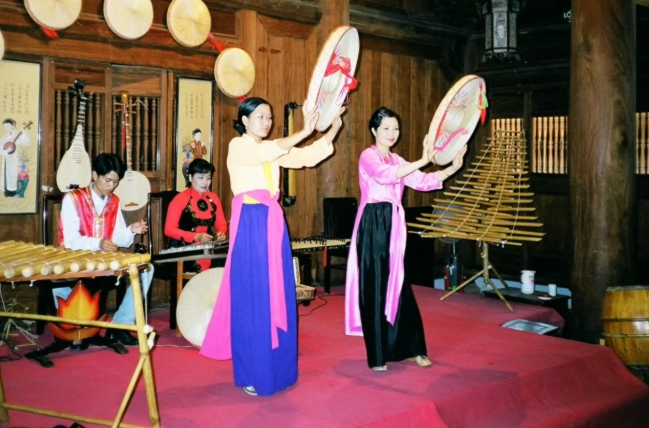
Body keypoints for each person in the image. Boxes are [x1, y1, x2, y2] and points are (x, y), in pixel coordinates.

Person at [201, 97, 344, 397]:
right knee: (254, 297)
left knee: (278, 293)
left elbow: (304, 157)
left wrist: (332, 129)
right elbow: (268, 151)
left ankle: (278, 370)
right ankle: (254, 372)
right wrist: (305, 130)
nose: (266, 122)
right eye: (260, 117)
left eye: (269, 117)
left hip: (273, 223)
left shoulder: (272, 150)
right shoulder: (239, 146)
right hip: (251, 224)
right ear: (244, 120)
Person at [344, 107, 465, 371]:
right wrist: (423, 159)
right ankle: (378, 355)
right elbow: (384, 176)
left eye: (395, 128)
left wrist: (452, 167)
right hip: (374, 223)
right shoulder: (368, 155)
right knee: (376, 285)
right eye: (386, 128)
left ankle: (413, 348)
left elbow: (423, 180)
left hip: (394, 224)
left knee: (399, 285)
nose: (391, 133)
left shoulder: (398, 160)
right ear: (374, 130)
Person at [57, 153, 154, 346]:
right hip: (76, 258)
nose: (112, 186)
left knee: (147, 268)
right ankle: (77, 326)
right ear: (95, 175)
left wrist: (131, 230)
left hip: (104, 259)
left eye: (116, 182)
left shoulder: (114, 201)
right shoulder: (73, 199)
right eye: (108, 180)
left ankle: (120, 324)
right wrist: (99, 243)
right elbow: (69, 240)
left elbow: (117, 238)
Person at [164, 157, 228, 272]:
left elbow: (222, 223)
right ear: (190, 177)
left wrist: (221, 233)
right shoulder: (180, 199)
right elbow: (168, 229)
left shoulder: (213, 198)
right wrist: (196, 237)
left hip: (207, 246)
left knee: (226, 259)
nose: (205, 182)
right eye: (200, 177)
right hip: (182, 247)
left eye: (208, 178)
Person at [0, 118, 29, 197]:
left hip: (16, 159)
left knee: (15, 175)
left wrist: (24, 133)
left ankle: (16, 191)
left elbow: (26, 142)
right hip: (7, 160)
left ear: (13, 126)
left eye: (8, 126)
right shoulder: (4, 137)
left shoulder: (18, 135)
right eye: (5, 127)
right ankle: (8, 192)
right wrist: (5, 151)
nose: (6, 128)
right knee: (8, 176)